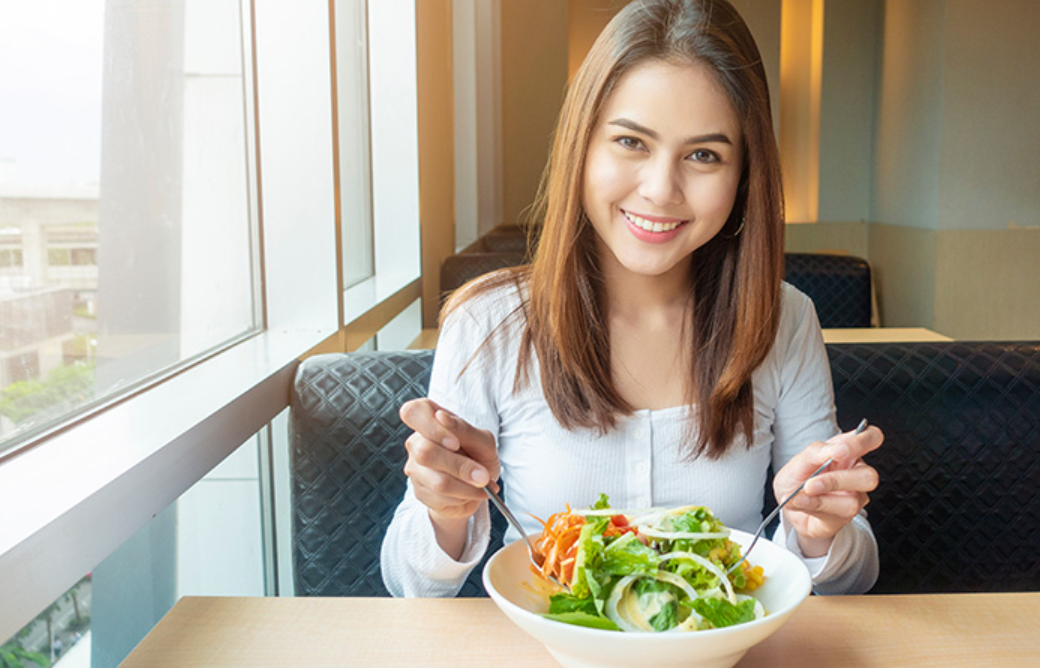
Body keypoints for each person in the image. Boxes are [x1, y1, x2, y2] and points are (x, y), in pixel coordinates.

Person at [381, 0, 882, 598]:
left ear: (745, 175)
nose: (659, 189)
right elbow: (409, 583)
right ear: (581, 147)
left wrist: (822, 531)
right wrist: (443, 508)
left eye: (704, 155)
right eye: (630, 142)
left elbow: (852, 582)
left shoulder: (784, 319)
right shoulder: (488, 324)